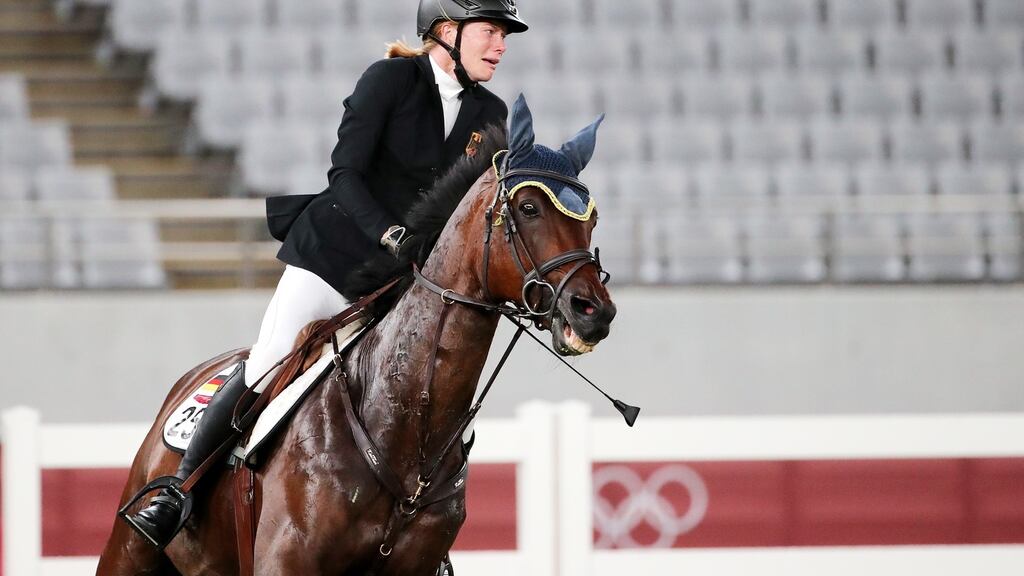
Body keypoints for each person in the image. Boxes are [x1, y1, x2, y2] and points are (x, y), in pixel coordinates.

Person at [124, 0, 528, 549]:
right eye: (490, 32)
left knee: (422, 395)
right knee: (268, 362)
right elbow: (345, 174)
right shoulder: (391, 80)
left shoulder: (491, 113)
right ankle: (178, 490)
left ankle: (415, 529)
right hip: (338, 257)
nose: (501, 45)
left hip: (406, 283)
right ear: (446, 32)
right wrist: (390, 234)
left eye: (504, 34)